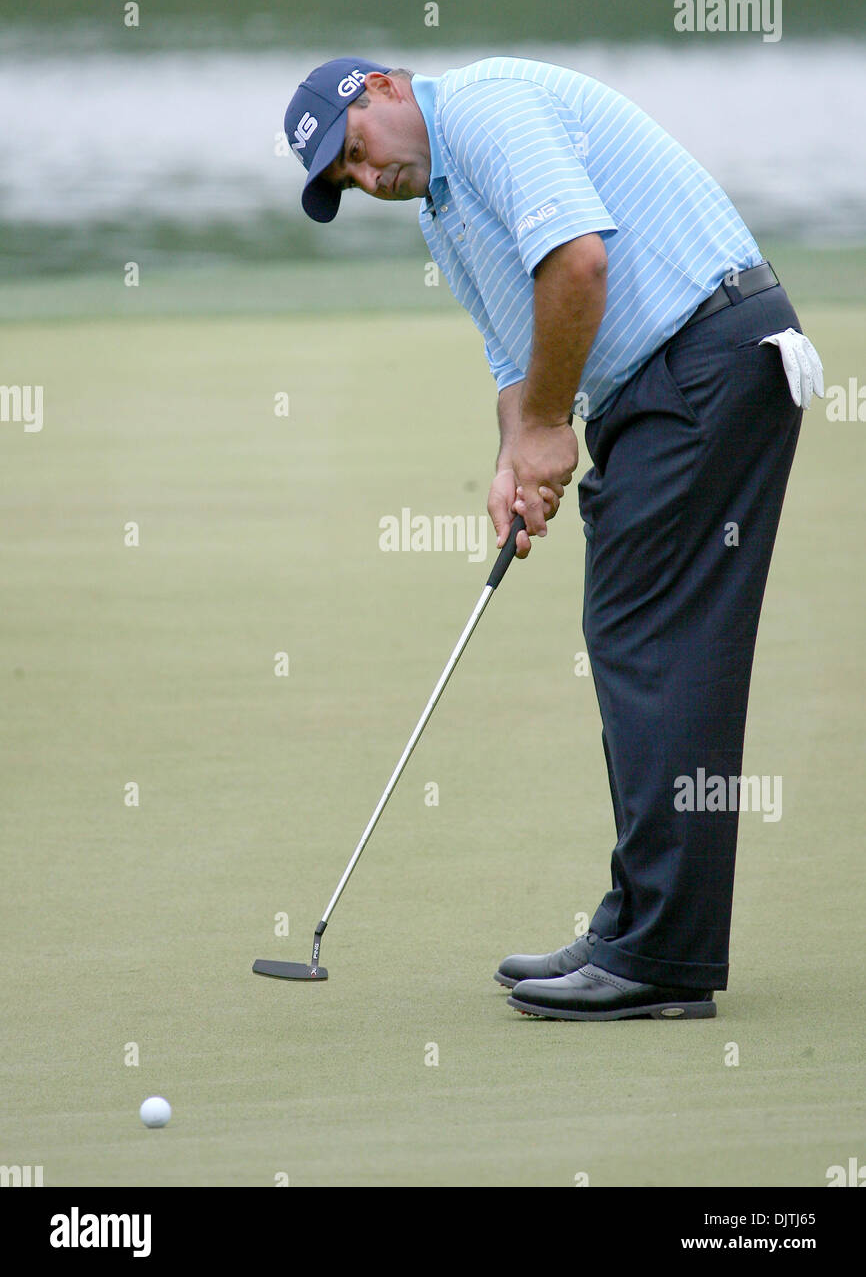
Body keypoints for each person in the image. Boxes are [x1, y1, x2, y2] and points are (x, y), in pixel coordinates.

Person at [283, 55, 823, 1021]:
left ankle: (660, 954)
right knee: (640, 644)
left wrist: (544, 429)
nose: (367, 179)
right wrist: (512, 459)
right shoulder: (439, 214)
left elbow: (577, 260)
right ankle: (643, 932)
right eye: (345, 182)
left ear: (386, 88)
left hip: (707, 356)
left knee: (652, 646)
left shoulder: (485, 108)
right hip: (668, 385)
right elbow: (515, 357)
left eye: (355, 152)